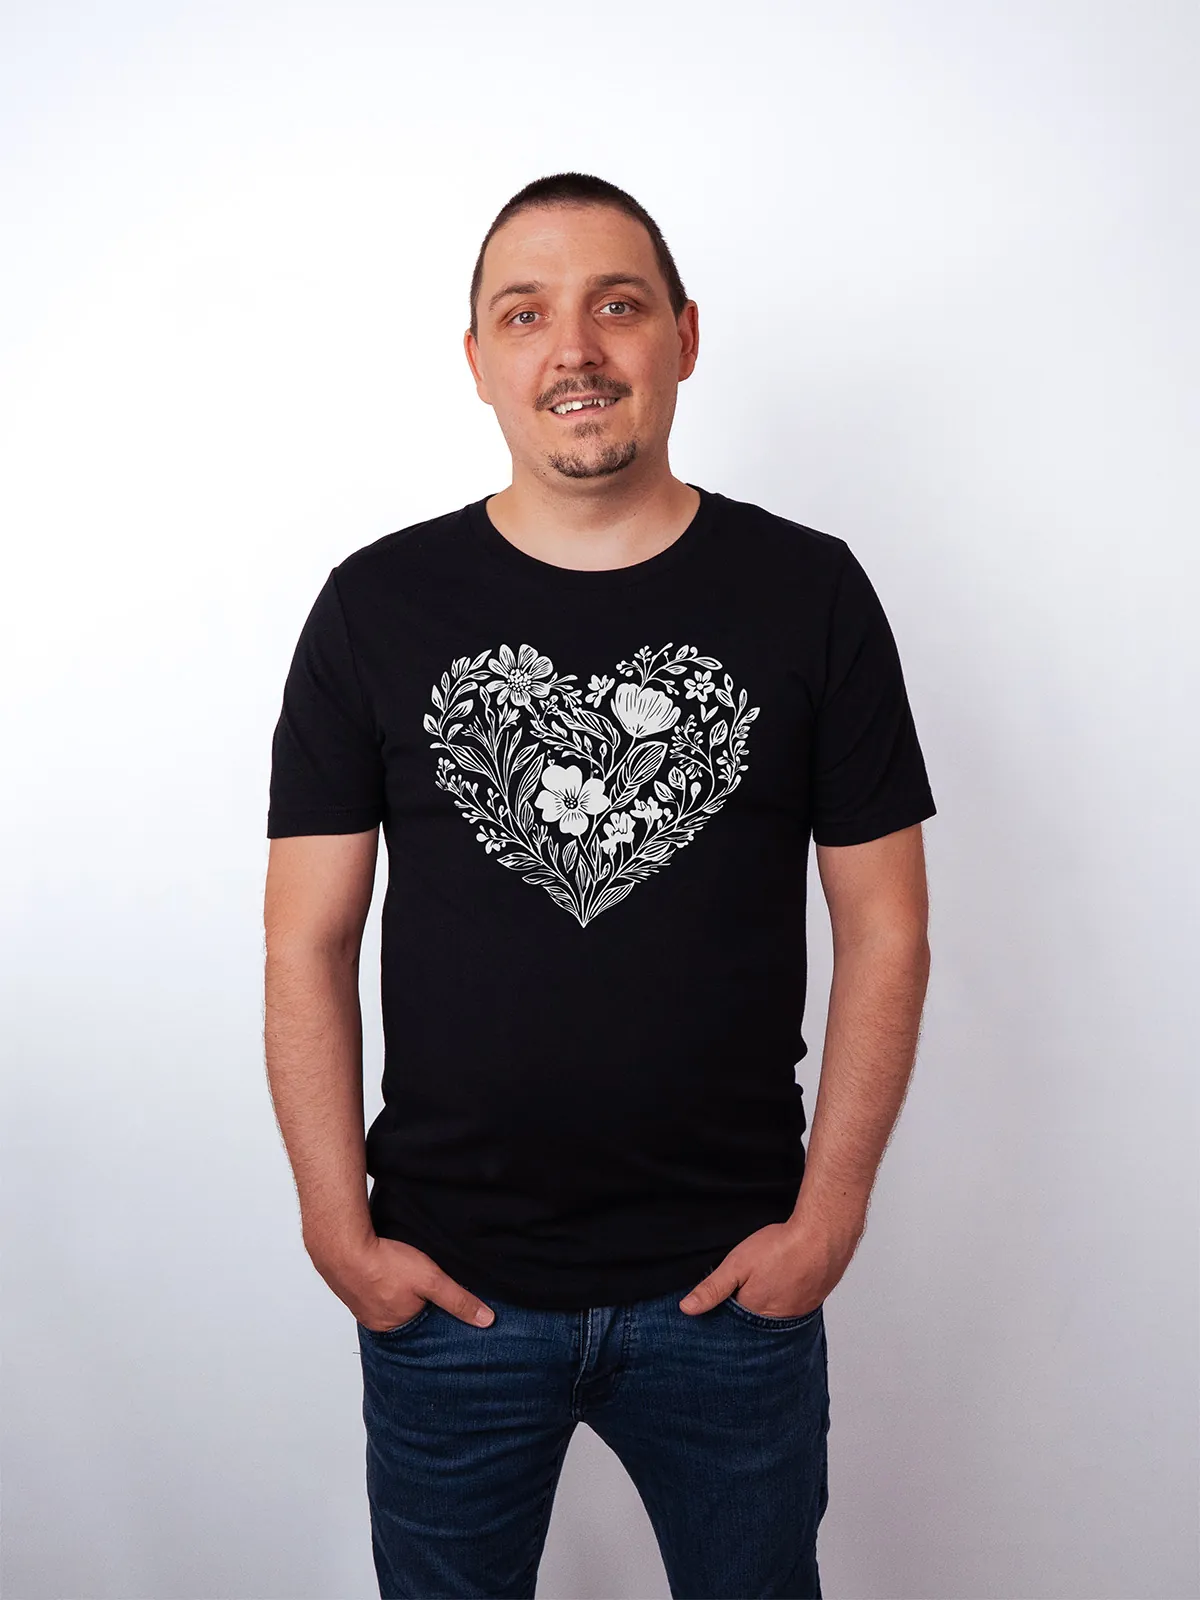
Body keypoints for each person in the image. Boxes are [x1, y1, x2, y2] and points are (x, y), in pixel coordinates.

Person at [263, 171, 935, 1600]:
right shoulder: (375, 606)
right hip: (448, 1291)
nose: (573, 348)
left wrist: (828, 1220)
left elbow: (886, 925)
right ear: (478, 362)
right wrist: (337, 1227)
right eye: (526, 314)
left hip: (730, 1287)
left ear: (684, 336)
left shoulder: (810, 592)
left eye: (616, 305)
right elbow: (306, 944)